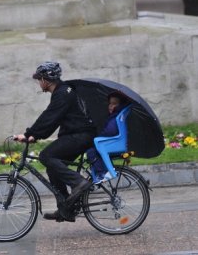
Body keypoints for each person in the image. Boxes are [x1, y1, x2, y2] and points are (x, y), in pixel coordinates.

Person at [14, 61, 96, 221]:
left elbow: (49, 116)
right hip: (78, 135)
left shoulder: (63, 93)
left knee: (46, 156)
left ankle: (78, 183)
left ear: (46, 79)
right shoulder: (62, 91)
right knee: (53, 167)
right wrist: (35, 135)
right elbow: (53, 119)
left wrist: (29, 133)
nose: (39, 82)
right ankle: (66, 207)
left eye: (39, 79)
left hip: (80, 136)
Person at [86, 91, 130, 184]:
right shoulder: (118, 115)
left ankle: (102, 173)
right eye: (110, 103)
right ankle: (101, 172)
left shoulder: (115, 118)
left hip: (112, 144)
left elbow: (110, 131)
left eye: (114, 104)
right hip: (118, 143)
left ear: (120, 105)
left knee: (91, 152)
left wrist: (100, 136)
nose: (110, 106)